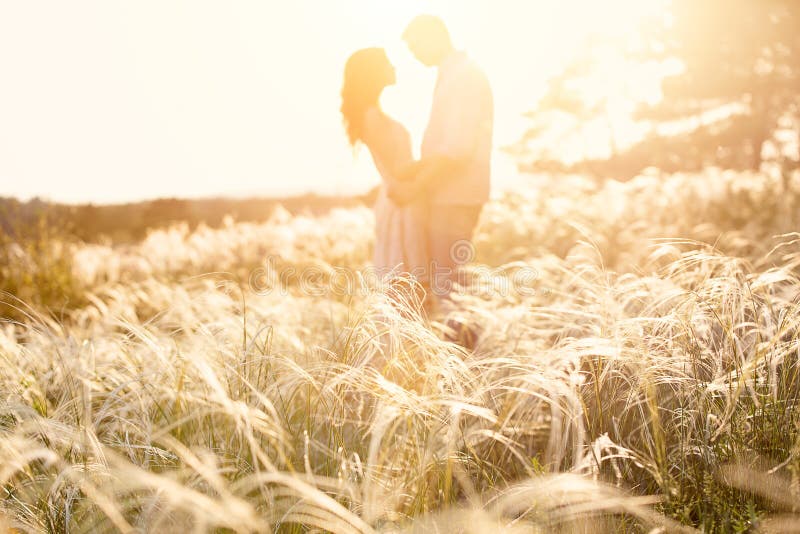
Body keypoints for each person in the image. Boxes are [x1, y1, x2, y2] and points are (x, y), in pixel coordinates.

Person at [393, 14, 494, 304]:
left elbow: (458, 150)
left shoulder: (463, 77)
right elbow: (450, 146)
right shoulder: (454, 74)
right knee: (450, 282)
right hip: (450, 195)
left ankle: (465, 348)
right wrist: (416, 167)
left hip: (456, 197)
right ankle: (462, 345)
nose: (414, 55)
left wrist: (415, 186)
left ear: (434, 37)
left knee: (451, 287)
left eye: (415, 47)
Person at [340, 48, 429, 309]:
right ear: (373, 73)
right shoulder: (371, 116)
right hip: (400, 203)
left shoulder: (373, 113)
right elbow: (398, 169)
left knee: (409, 286)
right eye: (388, 63)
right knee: (404, 286)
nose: (394, 67)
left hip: (404, 200)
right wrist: (438, 162)